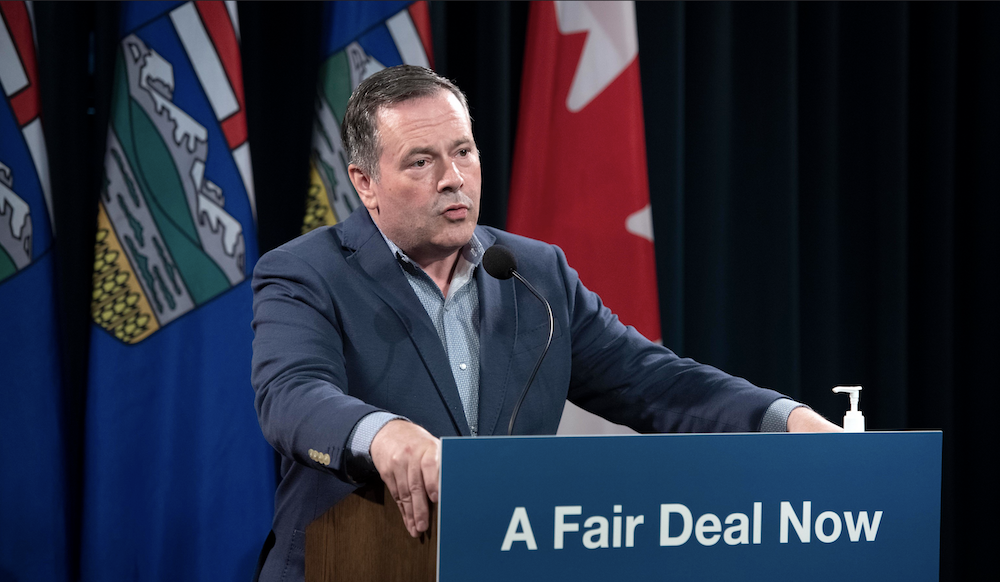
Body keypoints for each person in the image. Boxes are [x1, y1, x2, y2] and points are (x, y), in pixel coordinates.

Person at [250, 64, 839, 582]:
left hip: (500, 564)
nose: (452, 178)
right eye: (421, 162)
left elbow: (653, 382)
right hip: (347, 566)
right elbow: (292, 394)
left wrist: (781, 419)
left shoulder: (533, 272)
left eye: (463, 152)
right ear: (364, 183)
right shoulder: (305, 273)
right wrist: (381, 433)